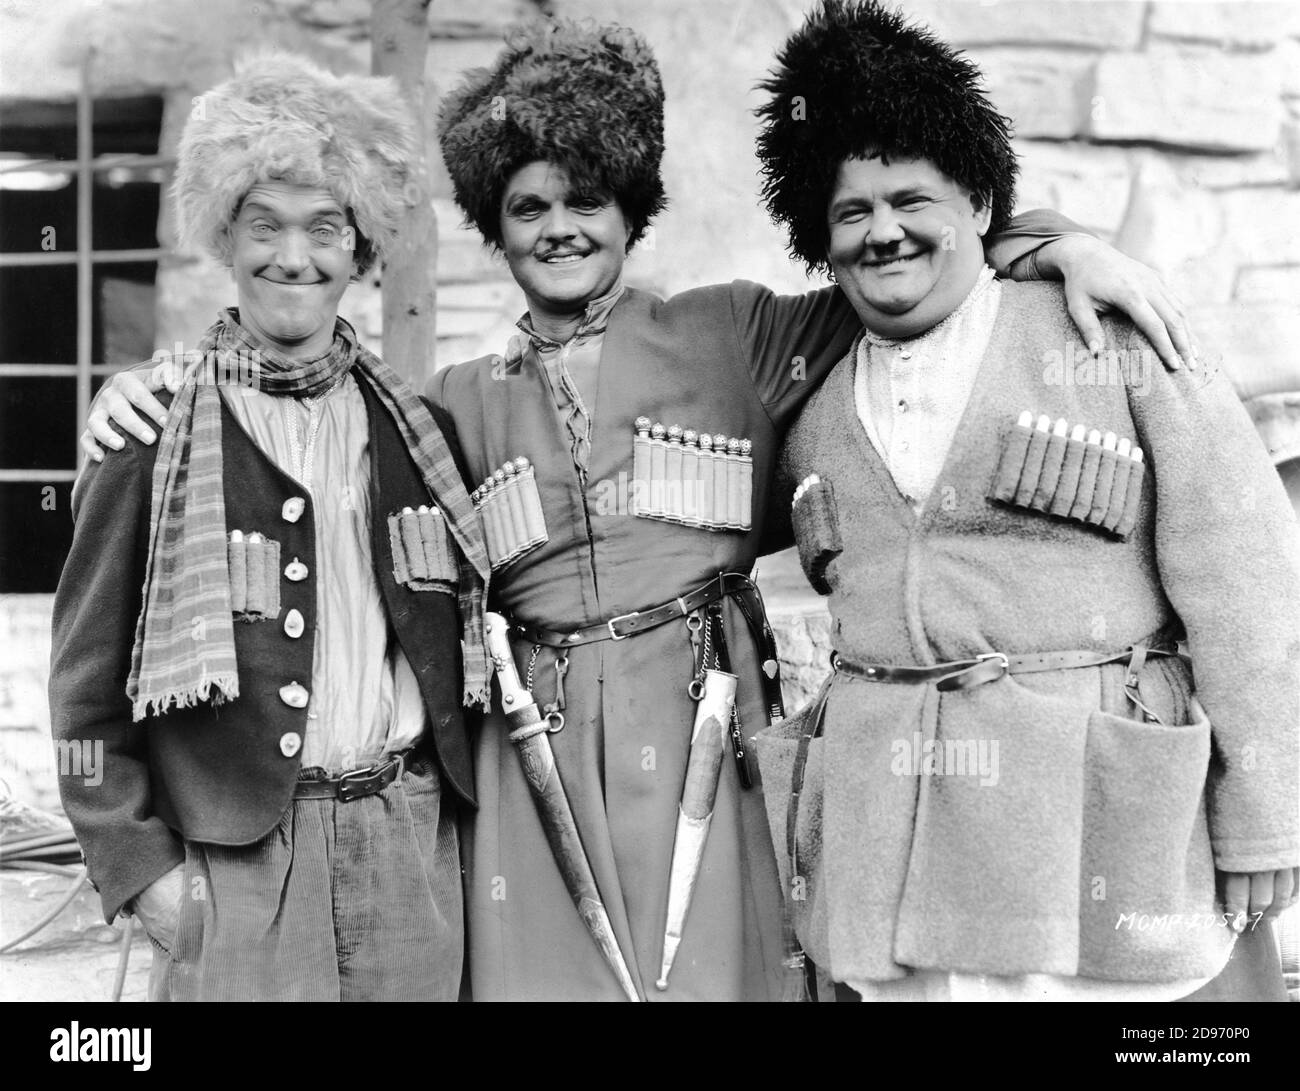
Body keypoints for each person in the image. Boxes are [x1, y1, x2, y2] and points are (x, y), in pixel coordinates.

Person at [83, 20, 1191, 1002]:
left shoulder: (734, 333)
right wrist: (146, 385)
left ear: (631, 208)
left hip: (712, 724)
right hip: (532, 758)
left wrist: (1049, 238)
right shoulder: (442, 410)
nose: (559, 227)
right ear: (493, 225)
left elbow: (899, 262)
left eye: (585, 199)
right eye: (527, 206)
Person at [755, 0, 1300, 1002]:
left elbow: (1248, 579)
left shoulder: (1109, 332)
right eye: (850, 211)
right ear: (818, 238)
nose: (884, 232)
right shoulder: (809, 393)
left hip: (1097, 840)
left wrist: (1265, 809)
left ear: (974, 198)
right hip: (897, 867)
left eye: (910, 197)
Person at [48, 54, 490, 1002]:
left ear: (361, 246)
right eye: (266, 225)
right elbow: (83, 700)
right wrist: (143, 873)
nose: (294, 257)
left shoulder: (419, 434)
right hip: (238, 866)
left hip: (409, 845)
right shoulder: (149, 432)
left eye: (324, 227)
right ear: (225, 234)